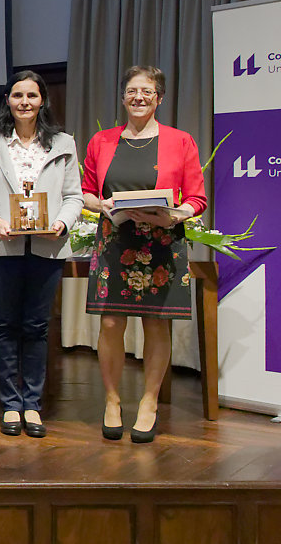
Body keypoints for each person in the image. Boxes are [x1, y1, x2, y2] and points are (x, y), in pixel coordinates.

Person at [82, 66, 206, 443]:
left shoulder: (180, 141)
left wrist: (174, 215)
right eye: (132, 90)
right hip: (114, 239)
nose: (139, 97)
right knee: (109, 326)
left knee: (156, 325)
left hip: (162, 243)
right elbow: (86, 191)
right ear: (123, 97)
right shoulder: (102, 141)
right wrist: (101, 206)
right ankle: (113, 401)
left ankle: (149, 403)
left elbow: (197, 199)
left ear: (159, 99)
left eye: (147, 91)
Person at [0, 70, 82, 438]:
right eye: (17, 96)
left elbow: (75, 196)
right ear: (8, 100)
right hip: (2, 247)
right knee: (5, 326)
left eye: (31, 95)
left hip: (48, 247)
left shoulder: (63, 143)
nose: (24, 102)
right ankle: (10, 405)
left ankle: (33, 404)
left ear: (42, 100)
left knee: (36, 327)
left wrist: (62, 223)